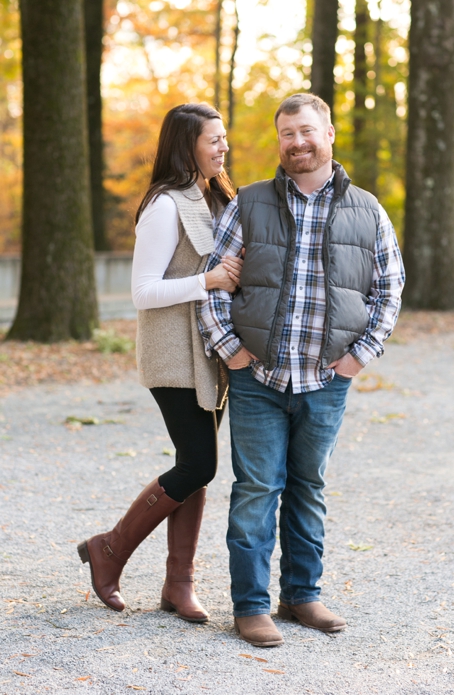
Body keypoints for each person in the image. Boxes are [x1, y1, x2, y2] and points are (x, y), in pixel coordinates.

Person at [198, 92, 404, 648]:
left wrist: (360, 355)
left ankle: (302, 595)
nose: (297, 143)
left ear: (329, 134)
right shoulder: (251, 204)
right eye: (287, 134)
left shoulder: (367, 209)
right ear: (279, 141)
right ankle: (250, 606)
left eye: (307, 131)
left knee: (309, 487)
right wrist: (230, 350)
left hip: (324, 382)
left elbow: (389, 288)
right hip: (257, 378)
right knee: (257, 488)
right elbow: (215, 282)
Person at [77, 103, 243, 623]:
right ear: (186, 145)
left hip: (211, 352)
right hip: (173, 353)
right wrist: (208, 281)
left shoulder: (215, 198)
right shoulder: (166, 206)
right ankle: (110, 549)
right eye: (213, 140)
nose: (224, 148)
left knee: (194, 467)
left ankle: (178, 585)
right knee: (200, 463)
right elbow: (142, 292)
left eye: (224, 139)